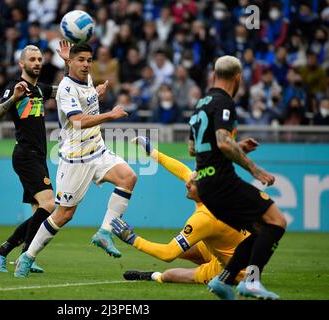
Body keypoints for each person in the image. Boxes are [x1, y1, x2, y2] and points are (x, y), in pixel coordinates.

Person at [13, 43, 137, 278]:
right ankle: (27, 257)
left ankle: (104, 233)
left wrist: (96, 93)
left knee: (129, 177)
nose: (86, 64)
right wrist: (110, 114)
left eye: (89, 60)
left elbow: (87, 102)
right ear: (71, 63)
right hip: (75, 159)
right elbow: (78, 120)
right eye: (80, 60)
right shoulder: (66, 89)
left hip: (97, 150)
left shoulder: (87, 80)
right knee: (63, 215)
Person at [188, 56, 287, 300]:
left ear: (213, 75)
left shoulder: (201, 103)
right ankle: (251, 281)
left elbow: (194, 148)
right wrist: (256, 171)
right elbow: (222, 142)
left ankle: (224, 280)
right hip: (223, 182)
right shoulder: (224, 102)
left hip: (207, 186)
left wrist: (237, 145)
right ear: (238, 78)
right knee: (277, 221)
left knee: (259, 231)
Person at [110, 136, 250, 285]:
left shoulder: (204, 217)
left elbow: (168, 254)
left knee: (169, 275)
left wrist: (132, 239)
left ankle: (154, 275)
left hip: (236, 272)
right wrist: (153, 152)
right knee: (187, 250)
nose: (187, 184)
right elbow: (182, 170)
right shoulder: (215, 193)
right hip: (237, 251)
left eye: (192, 183)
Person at [0, 42, 72, 274]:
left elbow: (67, 89)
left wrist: (67, 62)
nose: (36, 63)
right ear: (21, 63)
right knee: (50, 205)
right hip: (25, 155)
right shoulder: (15, 86)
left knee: (38, 212)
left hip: (38, 156)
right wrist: (13, 98)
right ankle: (2, 252)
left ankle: (27, 256)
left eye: (39, 60)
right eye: (32, 60)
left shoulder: (41, 89)